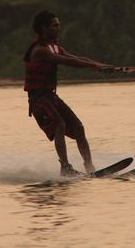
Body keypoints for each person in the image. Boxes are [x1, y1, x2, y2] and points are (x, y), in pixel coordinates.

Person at [24, 10, 113, 177]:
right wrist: (97, 67)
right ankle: (65, 167)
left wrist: (101, 65)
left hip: (50, 96)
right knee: (59, 124)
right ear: (44, 28)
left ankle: (89, 167)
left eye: (58, 25)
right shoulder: (40, 50)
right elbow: (69, 61)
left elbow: (76, 57)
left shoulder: (55, 46)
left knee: (78, 127)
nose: (58, 28)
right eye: (54, 26)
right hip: (38, 100)